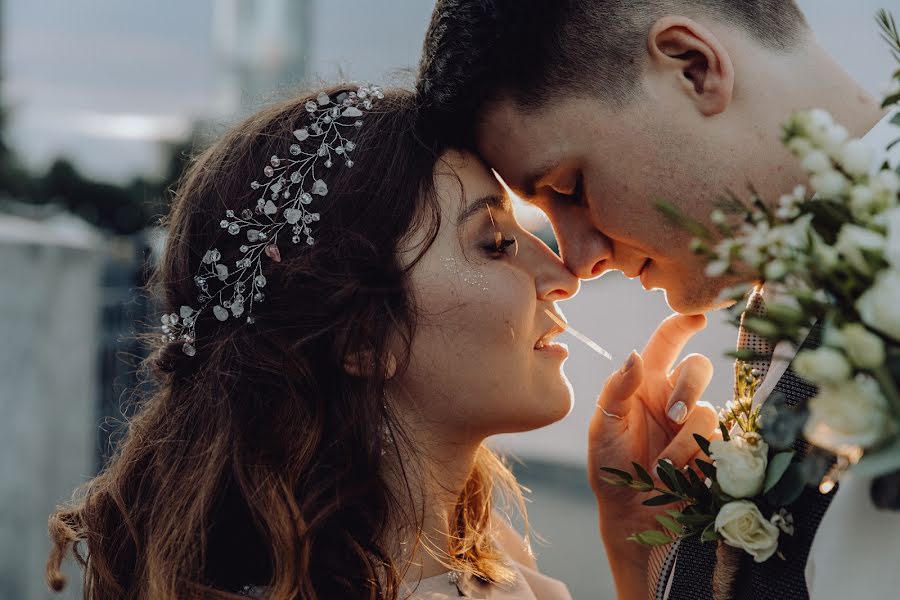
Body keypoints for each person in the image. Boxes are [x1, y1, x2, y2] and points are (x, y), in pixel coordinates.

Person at [44, 85, 713, 600]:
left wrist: (638, 546)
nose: (562, 273)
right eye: (496, 244)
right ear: (363, 336)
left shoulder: (480, 558)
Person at [416, 1, 892, 599]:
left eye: (572, 186)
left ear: (694, 67)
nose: (579, 260)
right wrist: (649, 562)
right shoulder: (788, 314)